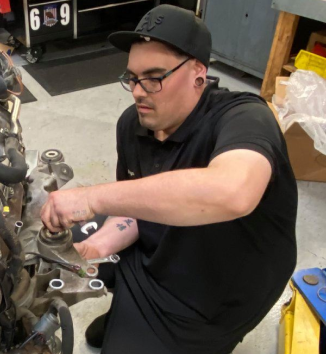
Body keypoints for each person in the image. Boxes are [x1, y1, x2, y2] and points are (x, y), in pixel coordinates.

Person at [40, 4, 298, 354]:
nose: (137, 91)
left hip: (214, 295)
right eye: (132, 77)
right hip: (161, 253)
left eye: (154, 77)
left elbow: (233, 192)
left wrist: (91, 198)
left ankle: (165, 329)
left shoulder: (244, 117)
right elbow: (134, 210)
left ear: (198, 74)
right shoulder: (134, 123)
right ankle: (130, 310)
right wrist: (97, 247)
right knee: (61, 244)